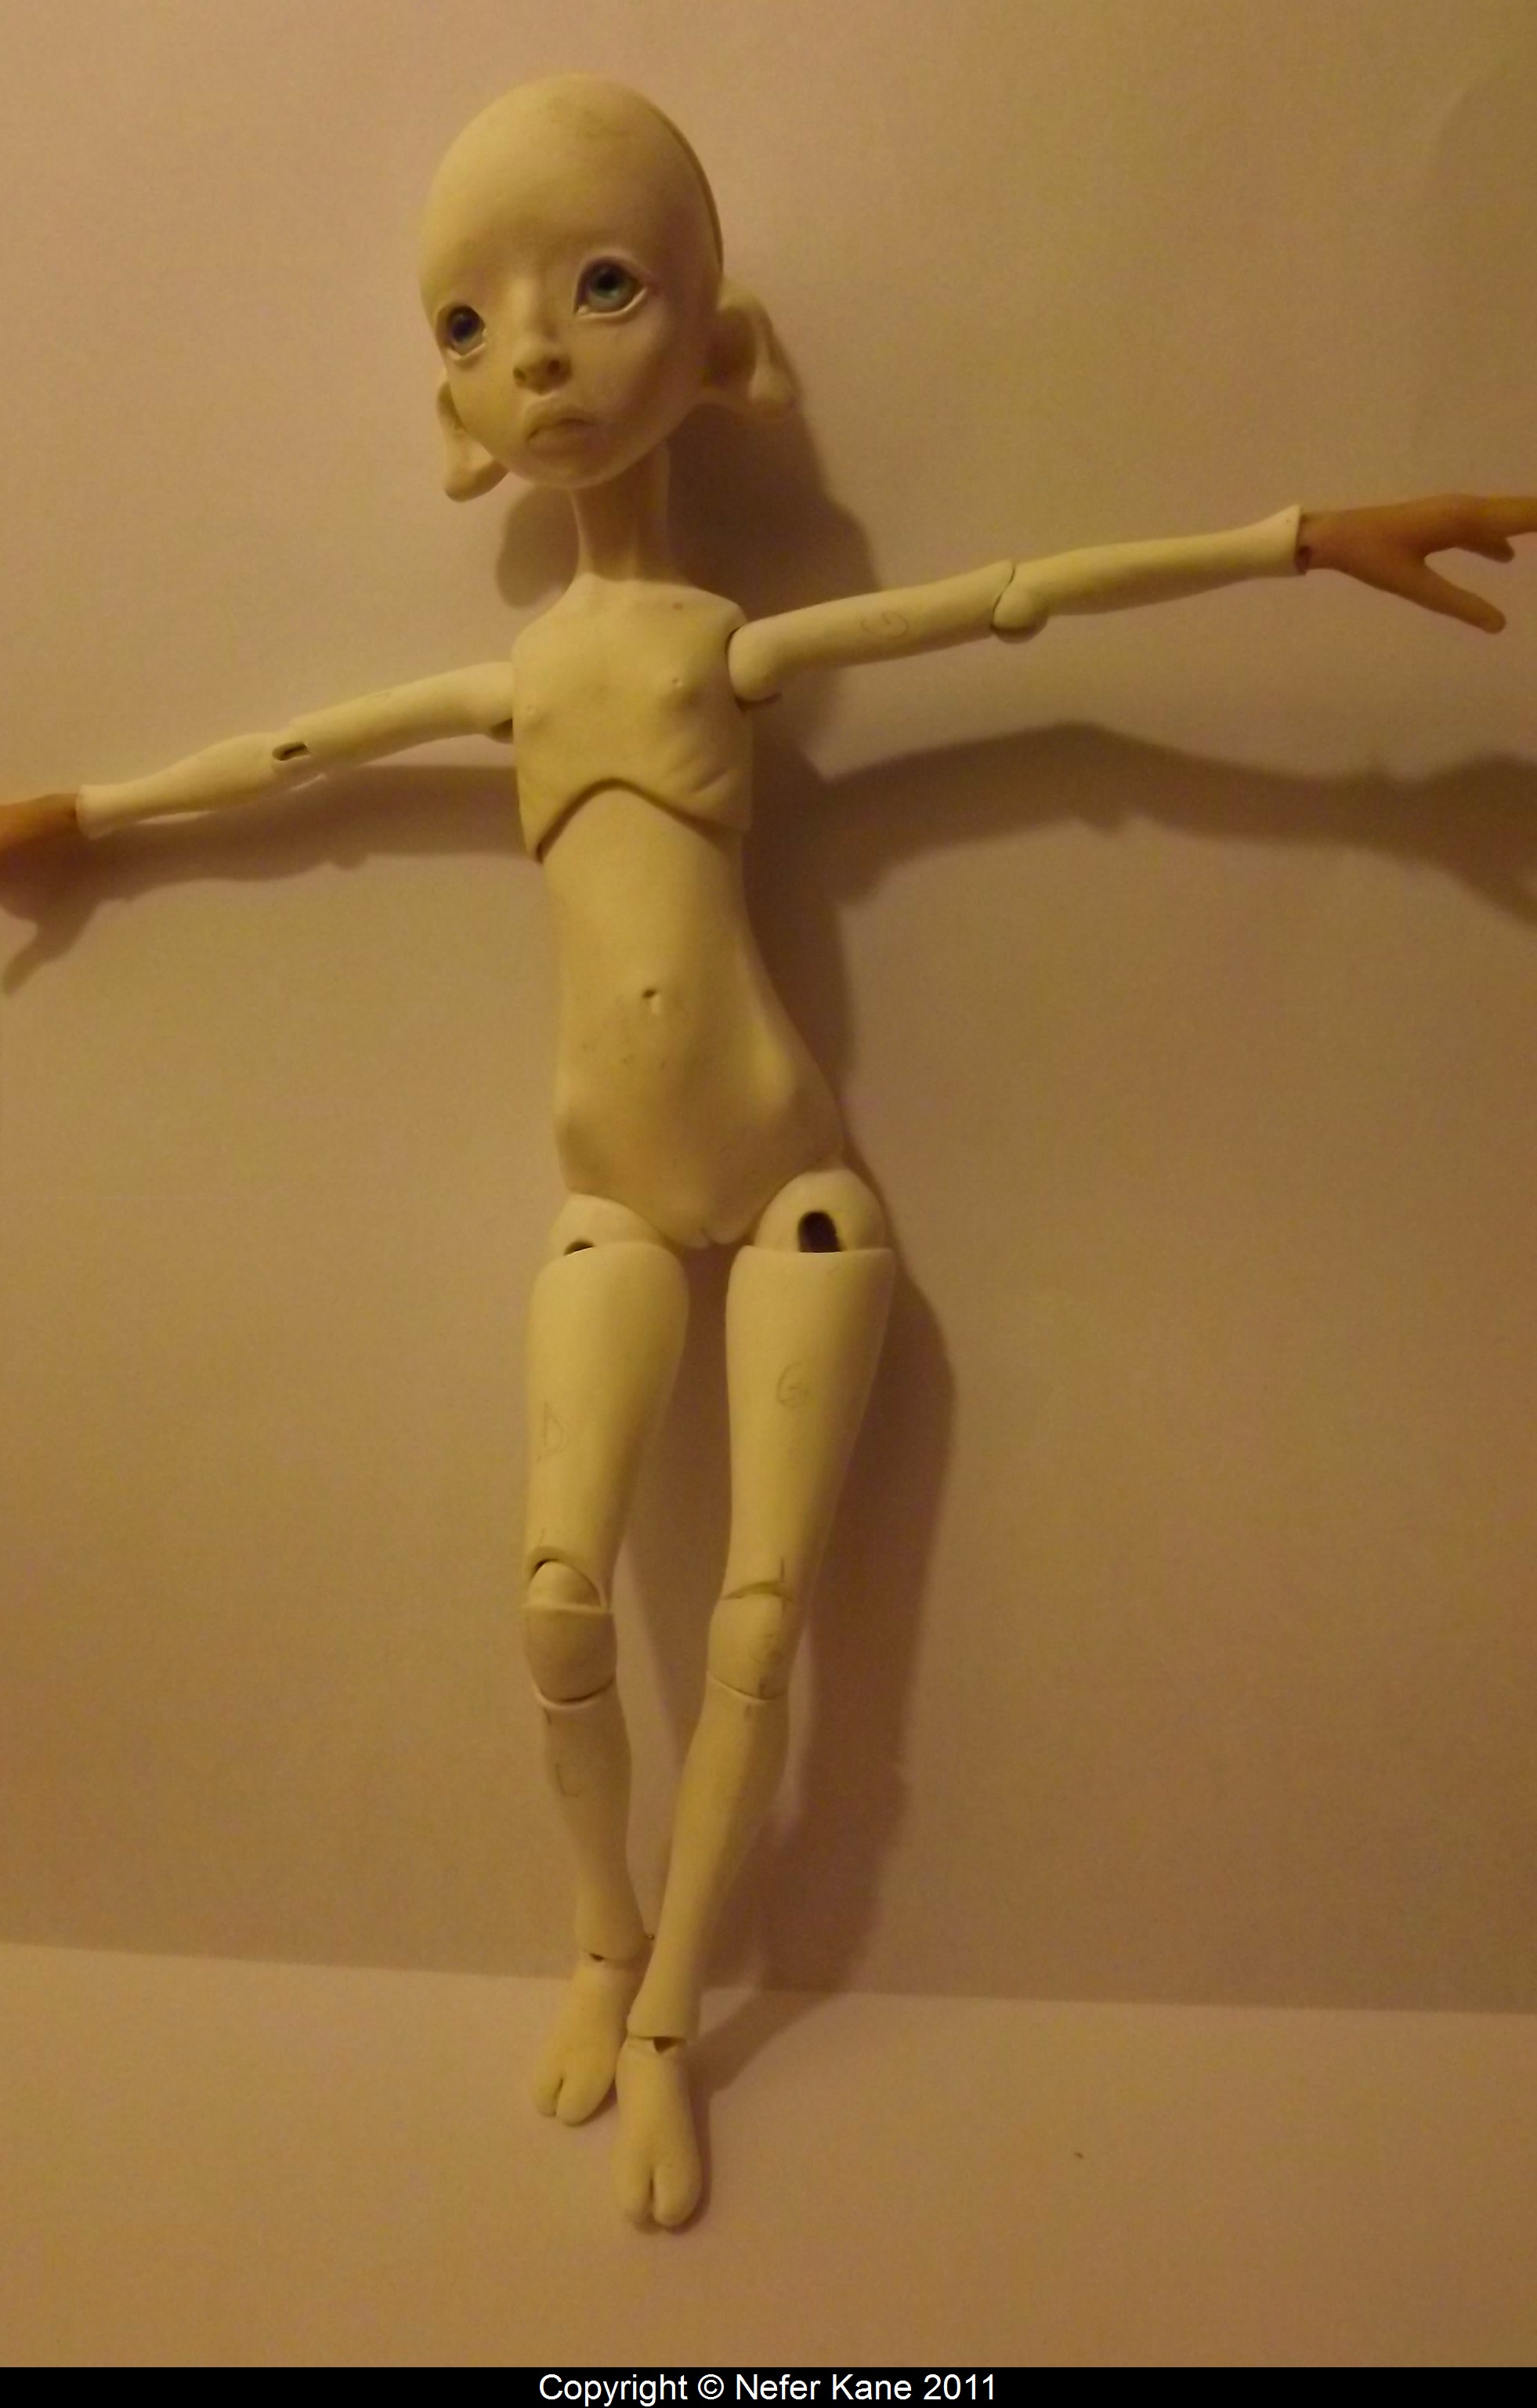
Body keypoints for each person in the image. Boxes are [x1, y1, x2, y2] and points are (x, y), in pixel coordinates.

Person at [2, 74, 1532, 2229]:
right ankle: (605, 1933)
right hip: (610, 1199)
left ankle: (661, 2033)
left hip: (799, 1189)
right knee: (552, 1599)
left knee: (752, 1625)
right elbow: (287, 756)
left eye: (600, 288)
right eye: (472, 325)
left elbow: (1020, 616)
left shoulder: (728, 651)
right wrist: (76, 814)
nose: (537, 356)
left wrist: (1295, 537)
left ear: (717, 351)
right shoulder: (518, 676)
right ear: (452, 415)